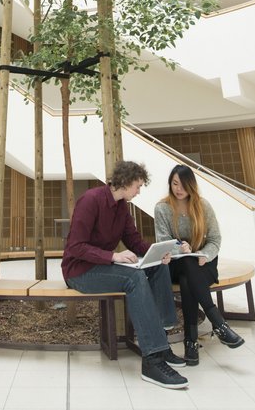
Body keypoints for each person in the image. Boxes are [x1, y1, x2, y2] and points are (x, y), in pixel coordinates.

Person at [62, 160, 189, 390]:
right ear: (127, 182)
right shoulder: (90, 200)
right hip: (79, 271)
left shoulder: (122, 207)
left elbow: (134, 241)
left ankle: (161, 343)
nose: (139, 191)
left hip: (101, 267)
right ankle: (152, 360)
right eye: (138, 186)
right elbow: (75, 247)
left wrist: (159, 253)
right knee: (134, 278)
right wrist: (114, 256)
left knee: (158, 267)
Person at [153, 164, 244, 366]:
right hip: (175, 264)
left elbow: (215, 239)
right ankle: (218, 323)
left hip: (203, 263)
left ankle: (191, 342)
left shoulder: (203, 206)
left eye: (183, 185)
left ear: (191, 186)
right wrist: (181, 249)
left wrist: (203, 254)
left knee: (188, 280)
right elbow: (163, 240)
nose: (178, 189)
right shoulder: (162, 208)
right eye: (175, 183)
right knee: (186, 264)